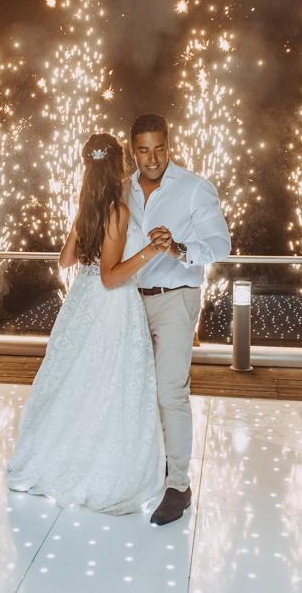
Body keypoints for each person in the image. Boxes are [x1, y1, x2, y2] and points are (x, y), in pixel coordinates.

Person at [7, 133, 167, 514]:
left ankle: (51, 460)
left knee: (74, 382)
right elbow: (112, 277)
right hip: (111, 308)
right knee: (110, 385)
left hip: (81, 302)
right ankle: (97, 469)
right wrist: (149, 250)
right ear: (118, 167)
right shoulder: (117, 210)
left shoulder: (87, 209)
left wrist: (83, 228)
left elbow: (66, 260)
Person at [125, 114, 231, 525]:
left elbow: (220, 245)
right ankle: (150, 469)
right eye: (143, 149)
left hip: (176, 300)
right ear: (133, 149)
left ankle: (179, 486)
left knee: (171, 392)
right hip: (129, 302)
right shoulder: (123, 189)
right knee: (139, 392)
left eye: (159, 148)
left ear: (169, 145)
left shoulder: (194, 187)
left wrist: (179, 248)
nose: (152, 158)